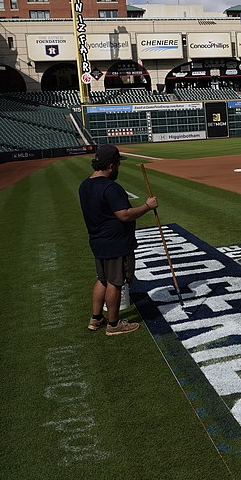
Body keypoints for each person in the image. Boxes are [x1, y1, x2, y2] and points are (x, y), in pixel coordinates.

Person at [79, 144, 158, 336]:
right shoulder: (110, 187)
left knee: (102, 279)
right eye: (117, 165)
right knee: (115, 282)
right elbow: (124, 215)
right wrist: (148, 206)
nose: (118, 169)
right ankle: (114, 324)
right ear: (111, 166)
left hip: (97, 240)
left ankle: (96, 318)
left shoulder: (85, 184)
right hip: (115, 243)